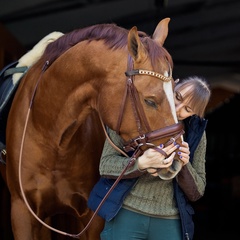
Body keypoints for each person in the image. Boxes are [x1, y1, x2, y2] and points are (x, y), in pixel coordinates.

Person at [88, 76, 211, 240]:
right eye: (177, 97)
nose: (177, 107)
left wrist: (184, 164)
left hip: (169, 220)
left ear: (195, 114)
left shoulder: (197, 134)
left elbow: (197, 192)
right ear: (172, 86)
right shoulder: (131, 114)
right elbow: (105, 166)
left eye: (187, 109)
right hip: (127, 212)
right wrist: (141, 163)